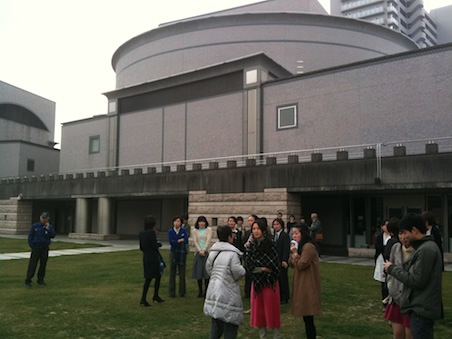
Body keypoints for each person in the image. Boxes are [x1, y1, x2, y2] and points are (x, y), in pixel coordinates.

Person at [384, 213, 443, 339]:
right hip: (417, 306)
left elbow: (416, 280)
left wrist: (391, 269)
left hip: (420, 308)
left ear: (414, 230)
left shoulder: (425, 249)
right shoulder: (426, 247)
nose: (403, 236)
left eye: (405, 232)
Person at [204, 225, 246, 339]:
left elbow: (208, 269)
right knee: (230, 325)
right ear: (230, 237)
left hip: (214, 290)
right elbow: (238, 271)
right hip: (229, 292)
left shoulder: (213, 252)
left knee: (216, 323)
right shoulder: (232, 254)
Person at [246, 218, 281, 339]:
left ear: (263, 230)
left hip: (269, 283)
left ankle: (276, 335)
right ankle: (263, 336)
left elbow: (275, 265)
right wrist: (262, 269)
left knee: (271, 310)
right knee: (259, 311)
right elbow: (249, 266)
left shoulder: (271, 245)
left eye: (258, 229)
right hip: (257, 284)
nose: (256, 231)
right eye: (253, 229)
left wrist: (263, 269)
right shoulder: (251, 246)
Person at [289, 225, 321, 339]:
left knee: (308, 317)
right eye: (293, 234)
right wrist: (294, 253)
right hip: (301, 283)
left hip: (308, 285)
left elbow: (302, 264)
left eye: (297, 233)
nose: (294, 236)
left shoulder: (308, 247)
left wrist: (295, 254)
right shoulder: (301, 246)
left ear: (303, 234)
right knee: (306, 317)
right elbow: (292, 264)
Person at [384, 229, 414, 339]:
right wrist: (391, 288)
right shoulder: (395, 247)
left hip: (411, 300)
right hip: (396, 297)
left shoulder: (420, 250)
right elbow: (390, 270)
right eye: (400, 233)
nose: (403, 237)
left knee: (410, 333)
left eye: (405, 233)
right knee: (397, 334)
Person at [139, 215, 164, 306]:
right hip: (153, 257)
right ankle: (154, 295)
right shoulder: (151, 233)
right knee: (157, 276)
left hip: (146, 257)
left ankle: (144, 297)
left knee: (148, 278)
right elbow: (154, 245)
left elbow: (141, 247)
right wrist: (159, 244)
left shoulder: (141, 233)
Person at [25, 212, 56, 287]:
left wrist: (48, 228)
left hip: (44, 247)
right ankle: (28, 280)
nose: (43, 219)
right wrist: (32, 245)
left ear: (47, 219)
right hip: (36, 247)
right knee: (33, 264)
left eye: (45, 218)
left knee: (43, 264)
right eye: (42, 218)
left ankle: (40, 279)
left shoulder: (49, 227)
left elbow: (53, 235)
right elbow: (30, 237)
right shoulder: (35, 226)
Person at [192, 216, 213, 298]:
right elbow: (195, 241)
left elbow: (208, 240)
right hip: (198, 252)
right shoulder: (194, 231)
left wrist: (204, 249)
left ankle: (206, 291)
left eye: (203, 221)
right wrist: (199, 250)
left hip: (206, 252)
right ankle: (200, 291)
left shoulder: (209, 230)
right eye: (200, 222)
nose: (201, 223)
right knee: (199, 272)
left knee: (206, 272)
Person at [168, 216, 188, 297]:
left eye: (178, 221)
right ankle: (172, 292)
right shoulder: (170, 231)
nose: (177, 223)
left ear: (181, 223)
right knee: (172, 272)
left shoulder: (184, 230)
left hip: (182, 252)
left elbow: (185, 240)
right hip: (173, 252)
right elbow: (171, 241)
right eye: (175, 221)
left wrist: (178, 240)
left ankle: (182, 292)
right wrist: (179, 240)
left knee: (182, 272)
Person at [272, 218, 290, 305]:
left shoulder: (285, 235)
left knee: (283, 279)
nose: (275, 226)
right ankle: (279, 296)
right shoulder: (273, 236)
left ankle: (285, 297)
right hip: (275, 261)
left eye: (277, 224)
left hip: (282, 261)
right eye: (274, 224)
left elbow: (286, 248)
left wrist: (284, 260)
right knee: (277, 279)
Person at [373, 219, 390, 309]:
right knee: (382, 282)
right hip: (380, 259)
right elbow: (377, 247)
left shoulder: (392, 237)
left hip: (388, 260)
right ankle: (384, 300)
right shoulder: (380, 236)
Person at [243, 214, 258, 300]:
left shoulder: (257, 233)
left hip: (255, 257)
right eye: (248, 221)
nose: (250, 222)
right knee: (247, 275)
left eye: (251, 220)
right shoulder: (248, 232)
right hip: (247, 256)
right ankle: (247, 293)